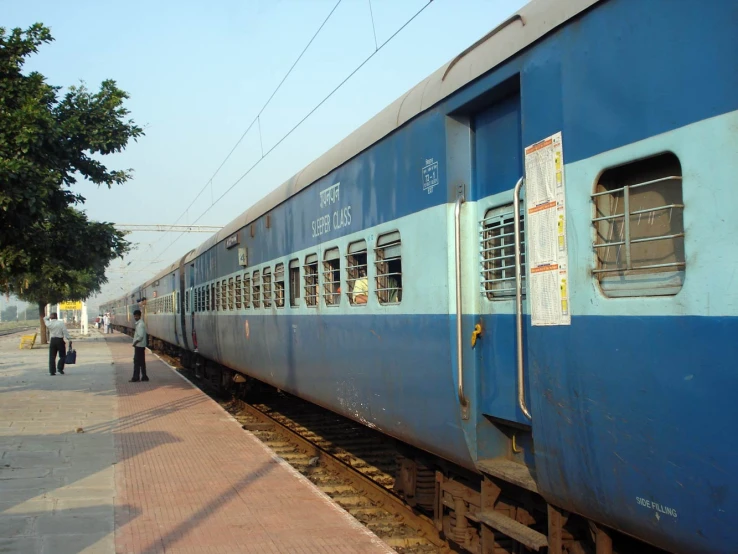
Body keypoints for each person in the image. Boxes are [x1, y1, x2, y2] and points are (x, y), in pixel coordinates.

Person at [130, 309, 149, 382]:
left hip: (139, 346)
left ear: (139, 316)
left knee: (137, 362)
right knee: (142, 362)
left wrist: (135, 343)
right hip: (140, 346)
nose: (135, 317)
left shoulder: (140, 324)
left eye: (136, 316)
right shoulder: (140, 323)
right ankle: (144, 377)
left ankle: (136, 377)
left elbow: (140, 336)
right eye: (134, 316)